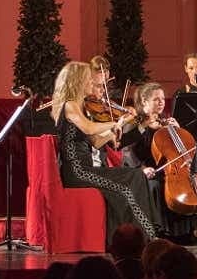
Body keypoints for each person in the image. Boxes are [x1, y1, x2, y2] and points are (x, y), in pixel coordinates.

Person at [51, 60, 162, 239]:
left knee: (135, 176)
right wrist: (114, 123)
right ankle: (141, 236)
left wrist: (115, 129)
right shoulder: (70, 105)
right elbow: (88, 128)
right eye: (88, 80)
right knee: (129, 184)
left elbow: (95, 141)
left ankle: (145, 233)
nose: (92, 84)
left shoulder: (81, 107)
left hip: (86, 169)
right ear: (77, 81)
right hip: (77, 171)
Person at [122, 82, 197, 244]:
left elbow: (181, 152)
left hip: (168, 170)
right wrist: (142, 169)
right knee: (155, 186)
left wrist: (178, 131)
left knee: (188, 183)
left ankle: (192, 231)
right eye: (156, 99)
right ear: (144, 102)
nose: (161, 102)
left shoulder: (166, 123)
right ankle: (160, 231)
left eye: (162, 99)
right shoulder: (133, 123)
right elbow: (127, 151)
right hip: (145, 171)